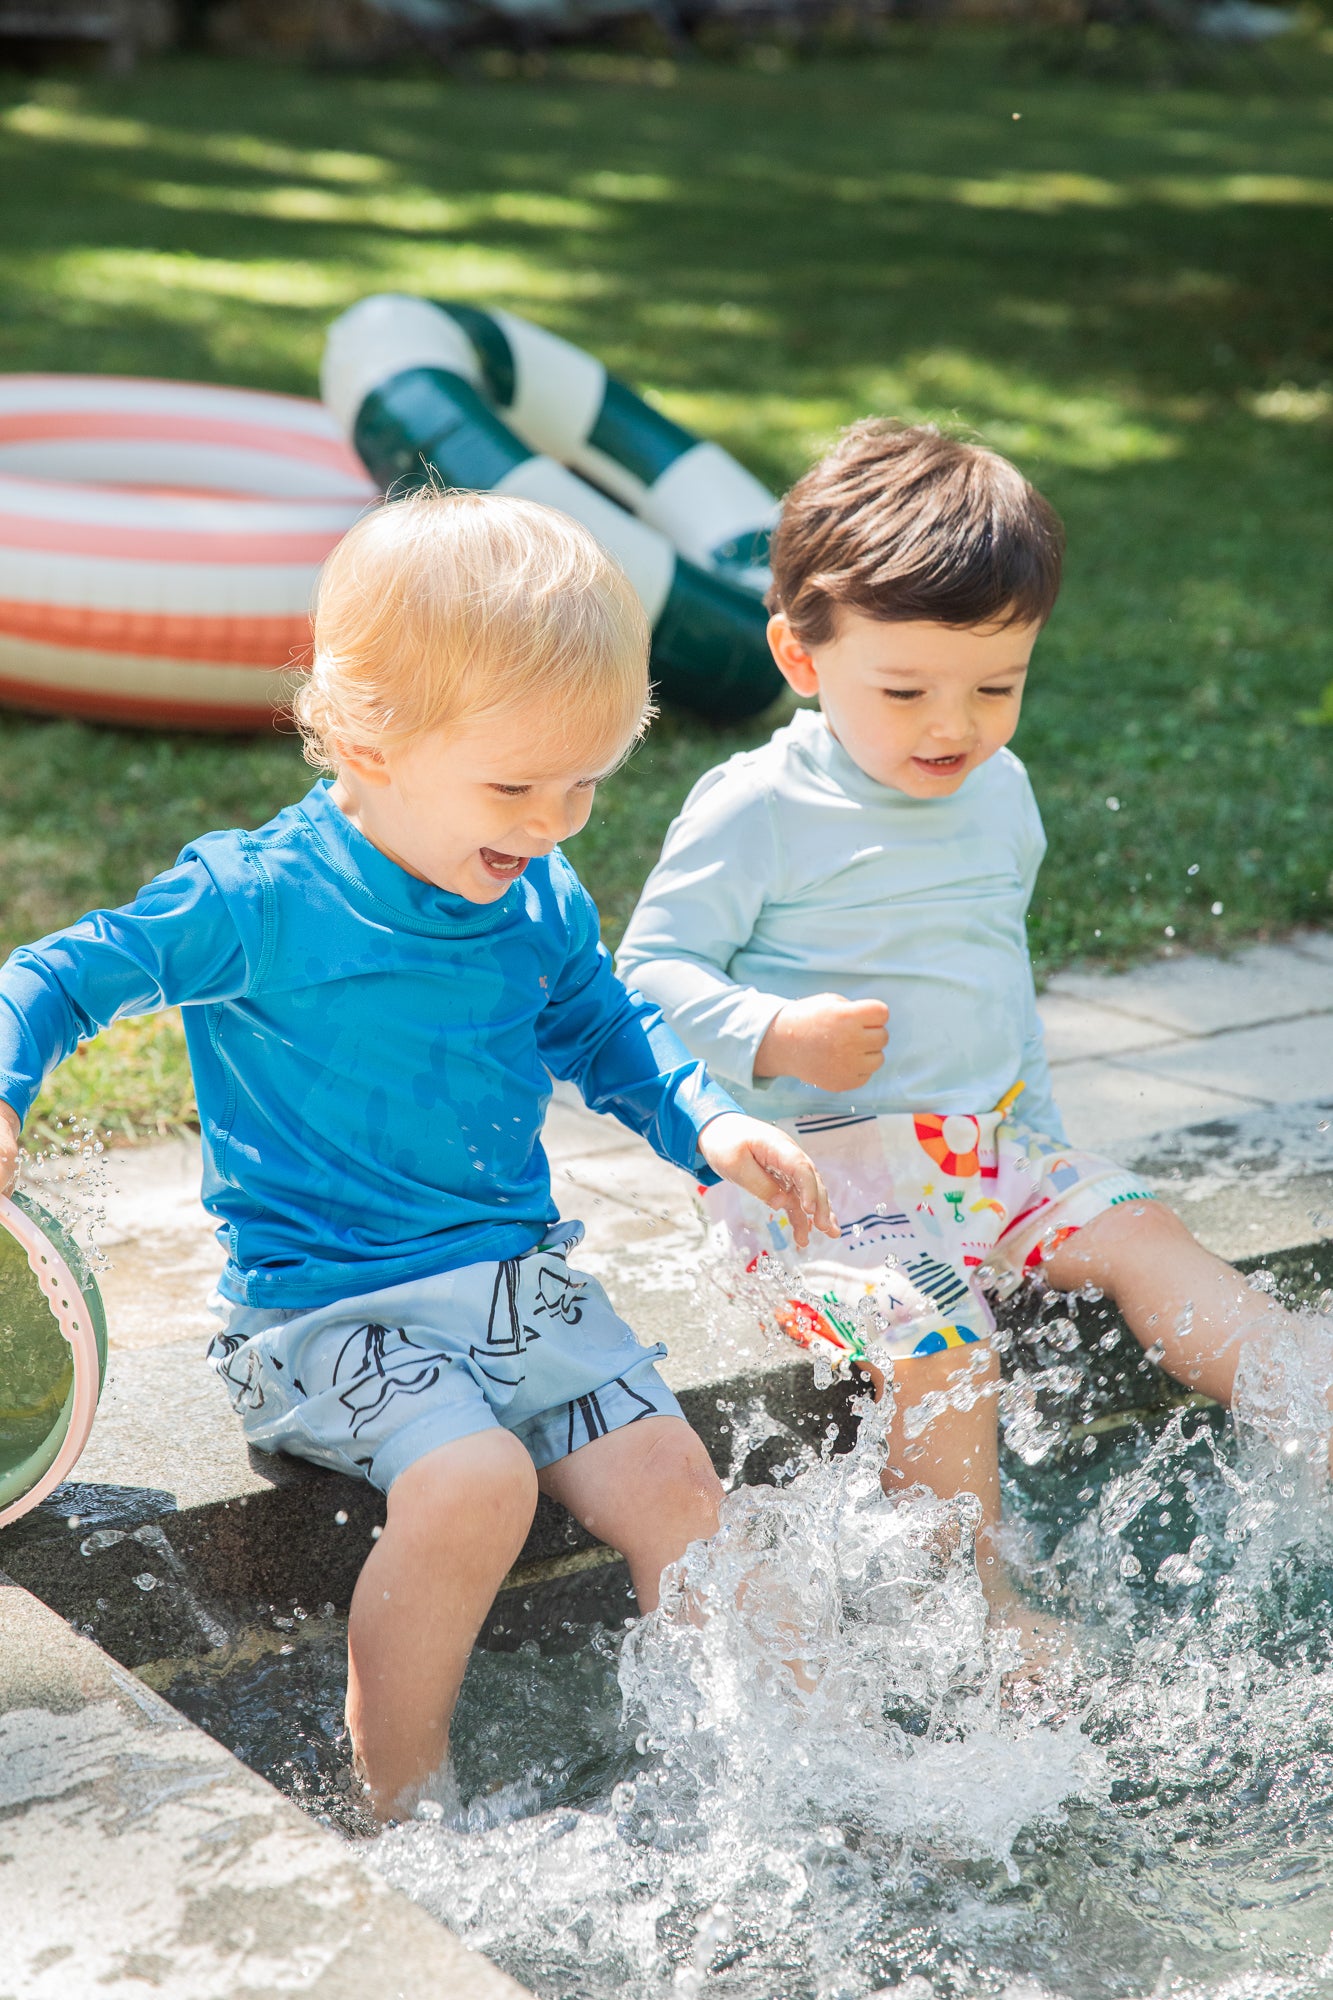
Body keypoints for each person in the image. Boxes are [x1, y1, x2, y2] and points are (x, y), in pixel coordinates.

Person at [0, 489, 836, 1817]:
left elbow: (606, 1032)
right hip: (327, 1317)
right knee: (473, 1479)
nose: (558, 820)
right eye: (517, 783)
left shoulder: (532, 888)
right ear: (364, 736)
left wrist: (712, 1124)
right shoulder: (256, 897)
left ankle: (771, 1782)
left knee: (679, 1482)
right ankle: (405, 1804)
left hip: (514, 1289)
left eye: (586, 782)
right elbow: (54, 979)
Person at [617, 419, 1319, 1635]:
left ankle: (1304, 1400)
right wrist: (774, 1029)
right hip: (815, 1177)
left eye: (998, 685)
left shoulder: (1000, 792)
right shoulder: (757, 806)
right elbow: (641, 975)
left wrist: (1047, 1145)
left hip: (988, 1150)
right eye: (907, 690)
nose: (956, 723)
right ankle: (979, 1607)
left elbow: (997, 971)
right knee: (947, 1338)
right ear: (798, 654)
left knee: (1151, 1237)